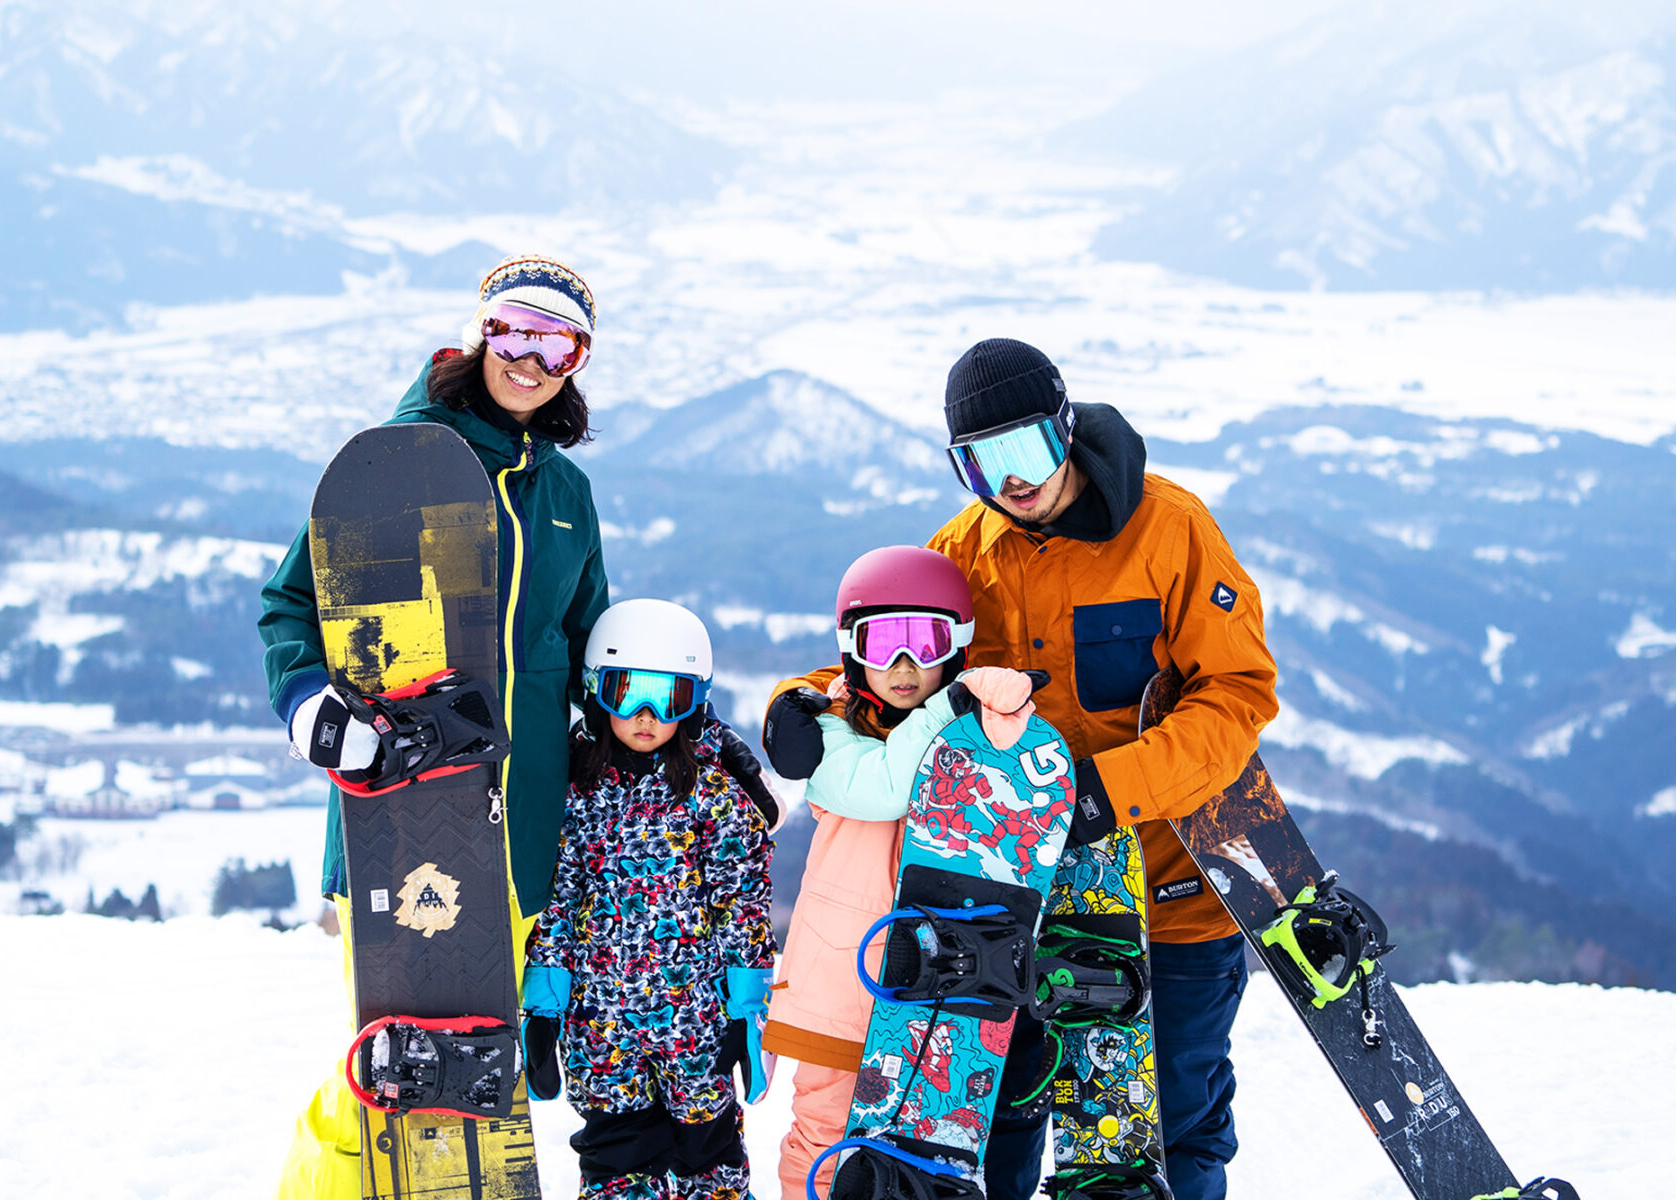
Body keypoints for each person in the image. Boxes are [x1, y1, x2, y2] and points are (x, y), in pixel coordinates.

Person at [763, 339, 1279, 1200]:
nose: (1010, 479)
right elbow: (899, 655)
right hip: (1015, 896)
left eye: (1025, 448)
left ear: (1066, 429)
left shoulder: (1171, 530)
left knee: (1169, 1124)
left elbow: (1237, 693)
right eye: (980, 460)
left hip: (1170, 883)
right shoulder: (966, 550)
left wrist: (1113, 791)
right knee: (992, 1113)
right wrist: (807, 698)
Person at [257, 253, 612, 1200]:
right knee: (387, 1066)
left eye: (556, 341)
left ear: (578, 359)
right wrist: (309, 709)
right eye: (513, 330)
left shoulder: (566, 495)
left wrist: (675, 730)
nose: (529, 358)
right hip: (399, 818)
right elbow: (289, 608)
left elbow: (589, 650)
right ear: (479, 331)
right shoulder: (397, 467)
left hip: (519, 831)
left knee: (470, 1070)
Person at [765, 545, 1070, 1200]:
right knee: (823, 1139)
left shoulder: (967, 728)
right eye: (883, 644)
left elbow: (1023, 819)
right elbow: (885, 789)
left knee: (923, 1158)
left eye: (925, 643)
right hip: (844, 990)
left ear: (957, 644)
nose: (903, 668)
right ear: (852, 649)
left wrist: (1008, 724)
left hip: (939, 988)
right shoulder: (832, 730)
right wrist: (950, 705)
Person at [521, 598, 777, 1200]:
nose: (645, 715)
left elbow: (742, 900)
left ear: (694, 703)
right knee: (617, 1154)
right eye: (626, 690)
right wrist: (545, 1005)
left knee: (706, 1153)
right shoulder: (579, 791)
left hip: (696, 1021)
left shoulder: (714, 794)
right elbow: (559, 898)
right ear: (596, 693)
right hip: (601, 1024)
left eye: (669, 698)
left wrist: (745, 1009)